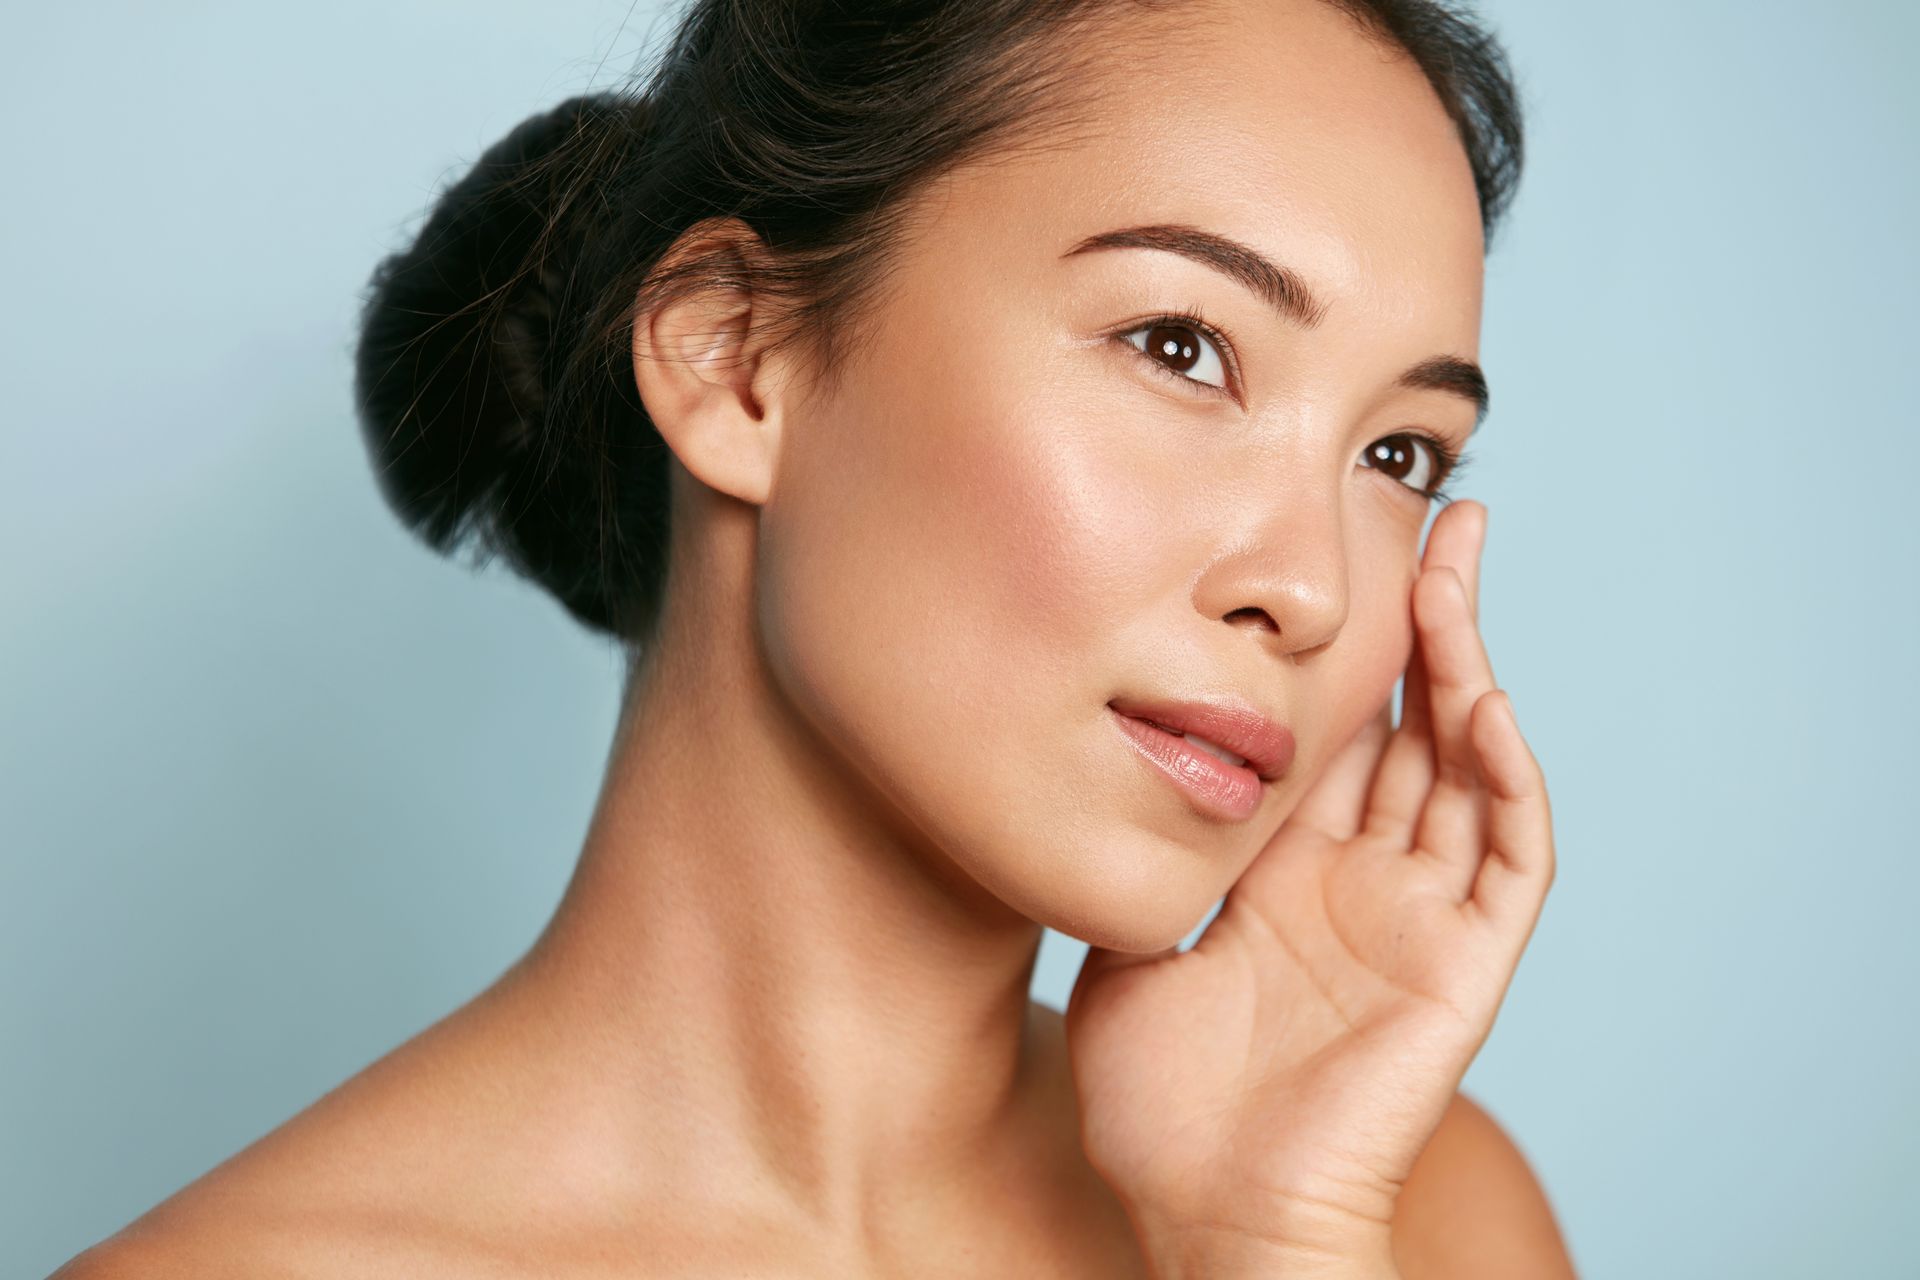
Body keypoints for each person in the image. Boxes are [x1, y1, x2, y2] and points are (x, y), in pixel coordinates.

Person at [54, 0, 1573, 1274]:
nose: (1309, 589)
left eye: (1399, 456)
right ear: (737, 357)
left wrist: (1271, 1241)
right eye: (1179, 347)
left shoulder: (1400, 1217)